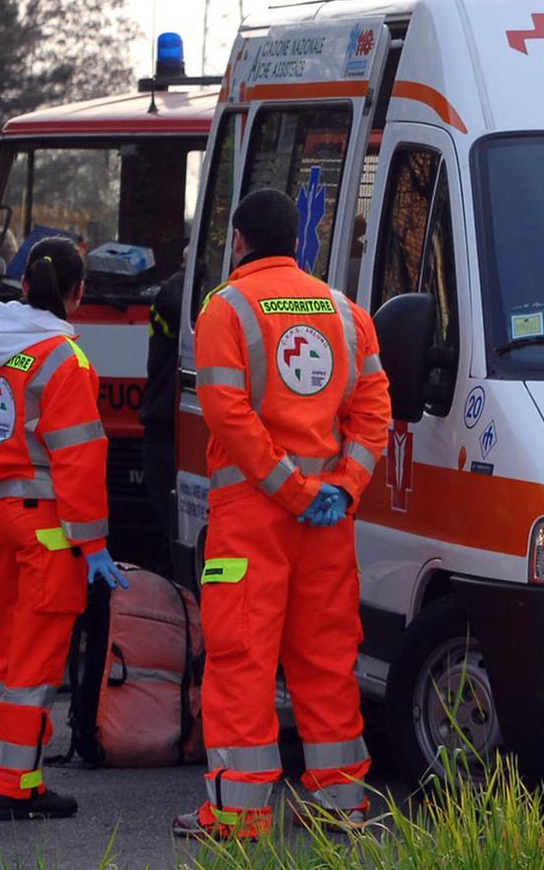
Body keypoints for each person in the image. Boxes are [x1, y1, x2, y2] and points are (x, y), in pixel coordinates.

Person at [173, 189, 391, 840]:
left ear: (238, 239)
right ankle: (339, 800)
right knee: (327, 659)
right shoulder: (348, 315)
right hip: (328, 523)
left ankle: (238, 812)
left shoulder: (226, 309)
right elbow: (374, 411)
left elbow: (228, 415)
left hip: (253, 518)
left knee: (241, 658)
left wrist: (292, 490)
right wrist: (344, 486)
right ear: (299, 239)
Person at [0, 237, 129, 819]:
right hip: (46, 526)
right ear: (76, 293)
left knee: (4, 656)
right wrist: (94, 544)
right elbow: (78, 458)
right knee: (34, 666)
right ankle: (17, 787)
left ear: (23, 284)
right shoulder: (64, 360)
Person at [138, 257, 185, 577]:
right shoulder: (175, 291)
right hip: (163, 424)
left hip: (174, 426)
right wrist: (196, 263)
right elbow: (175, 300)